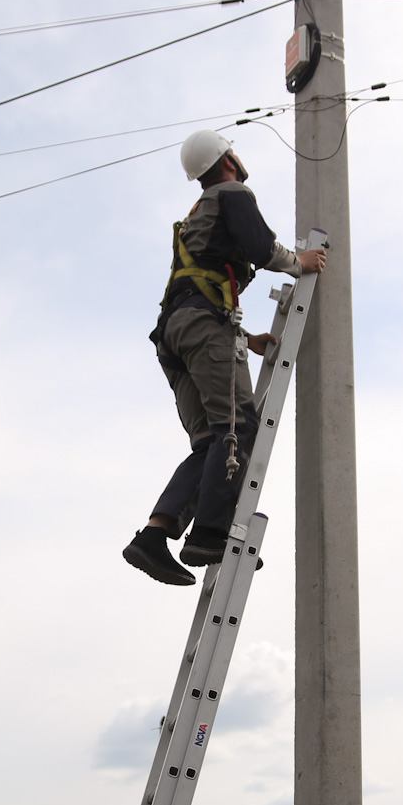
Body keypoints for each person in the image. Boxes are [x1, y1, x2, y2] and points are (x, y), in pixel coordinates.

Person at [123, 130, 326, 585]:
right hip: (202, 327)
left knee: (211, 442)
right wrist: (300, 261)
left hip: (177, 333)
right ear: (228, 158)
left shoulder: (200, 213)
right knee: (238, 426)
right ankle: (210, 534)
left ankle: (154, 537)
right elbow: (259, 246)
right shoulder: (232, 193)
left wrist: (241, 335)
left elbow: (202, 282)